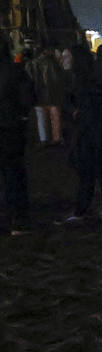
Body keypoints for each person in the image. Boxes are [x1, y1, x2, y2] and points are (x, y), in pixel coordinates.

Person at [62, 45, 102, 222]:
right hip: (94, 132)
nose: (63, 60)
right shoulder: (85, 77)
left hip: (92, 133)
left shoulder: (85, 80)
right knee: (98, 171)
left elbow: (94, 105)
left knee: (90, 171)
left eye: (67, 56)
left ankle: (85, 209)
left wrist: (78, 114)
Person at [0, 38, 35, 233]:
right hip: (11, 130)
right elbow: (28, 98)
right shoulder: (15, 72)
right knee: (14, 175)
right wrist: (21, 117)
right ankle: (18, 220)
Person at [27, 46, 70, 147]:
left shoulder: (33, 63)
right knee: (55, 116)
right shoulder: (53, 63)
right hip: (53, 94)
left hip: (39, 93)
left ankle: (44, 138)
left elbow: (31, 77)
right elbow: (58, 79)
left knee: (41, 117)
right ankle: (57, 137)